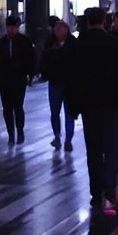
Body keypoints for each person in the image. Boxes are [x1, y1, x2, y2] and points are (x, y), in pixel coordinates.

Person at [69, 6, 118, 214]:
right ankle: (110, 189)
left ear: (88, 21)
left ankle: (95, 192)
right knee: (112, 148)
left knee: (94, 150)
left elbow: (72, 77)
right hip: (113, 103)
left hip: (89, 104)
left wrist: (74, 104)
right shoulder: (116, 44)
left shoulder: (79, 46)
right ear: (104, 20)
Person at [0, 13, 35, 146]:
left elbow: (31, 59)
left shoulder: (24, 41)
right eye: (8, 27)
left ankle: (19, 129)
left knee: (18, 106)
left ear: (17, 28)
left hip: (19, 79)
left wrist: (30, 74)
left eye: (13, 27)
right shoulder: (1, 43)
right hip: (5, 80)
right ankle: (11, 133)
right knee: (7, 109)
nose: (10, 30)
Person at [41, 16, 76, 151]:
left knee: (66, 112)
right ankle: (60, 137)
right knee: (58, 112)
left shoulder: (56, 44)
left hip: (65, 83)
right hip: (58, 82)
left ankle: (66, 138)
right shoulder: (52, 44)